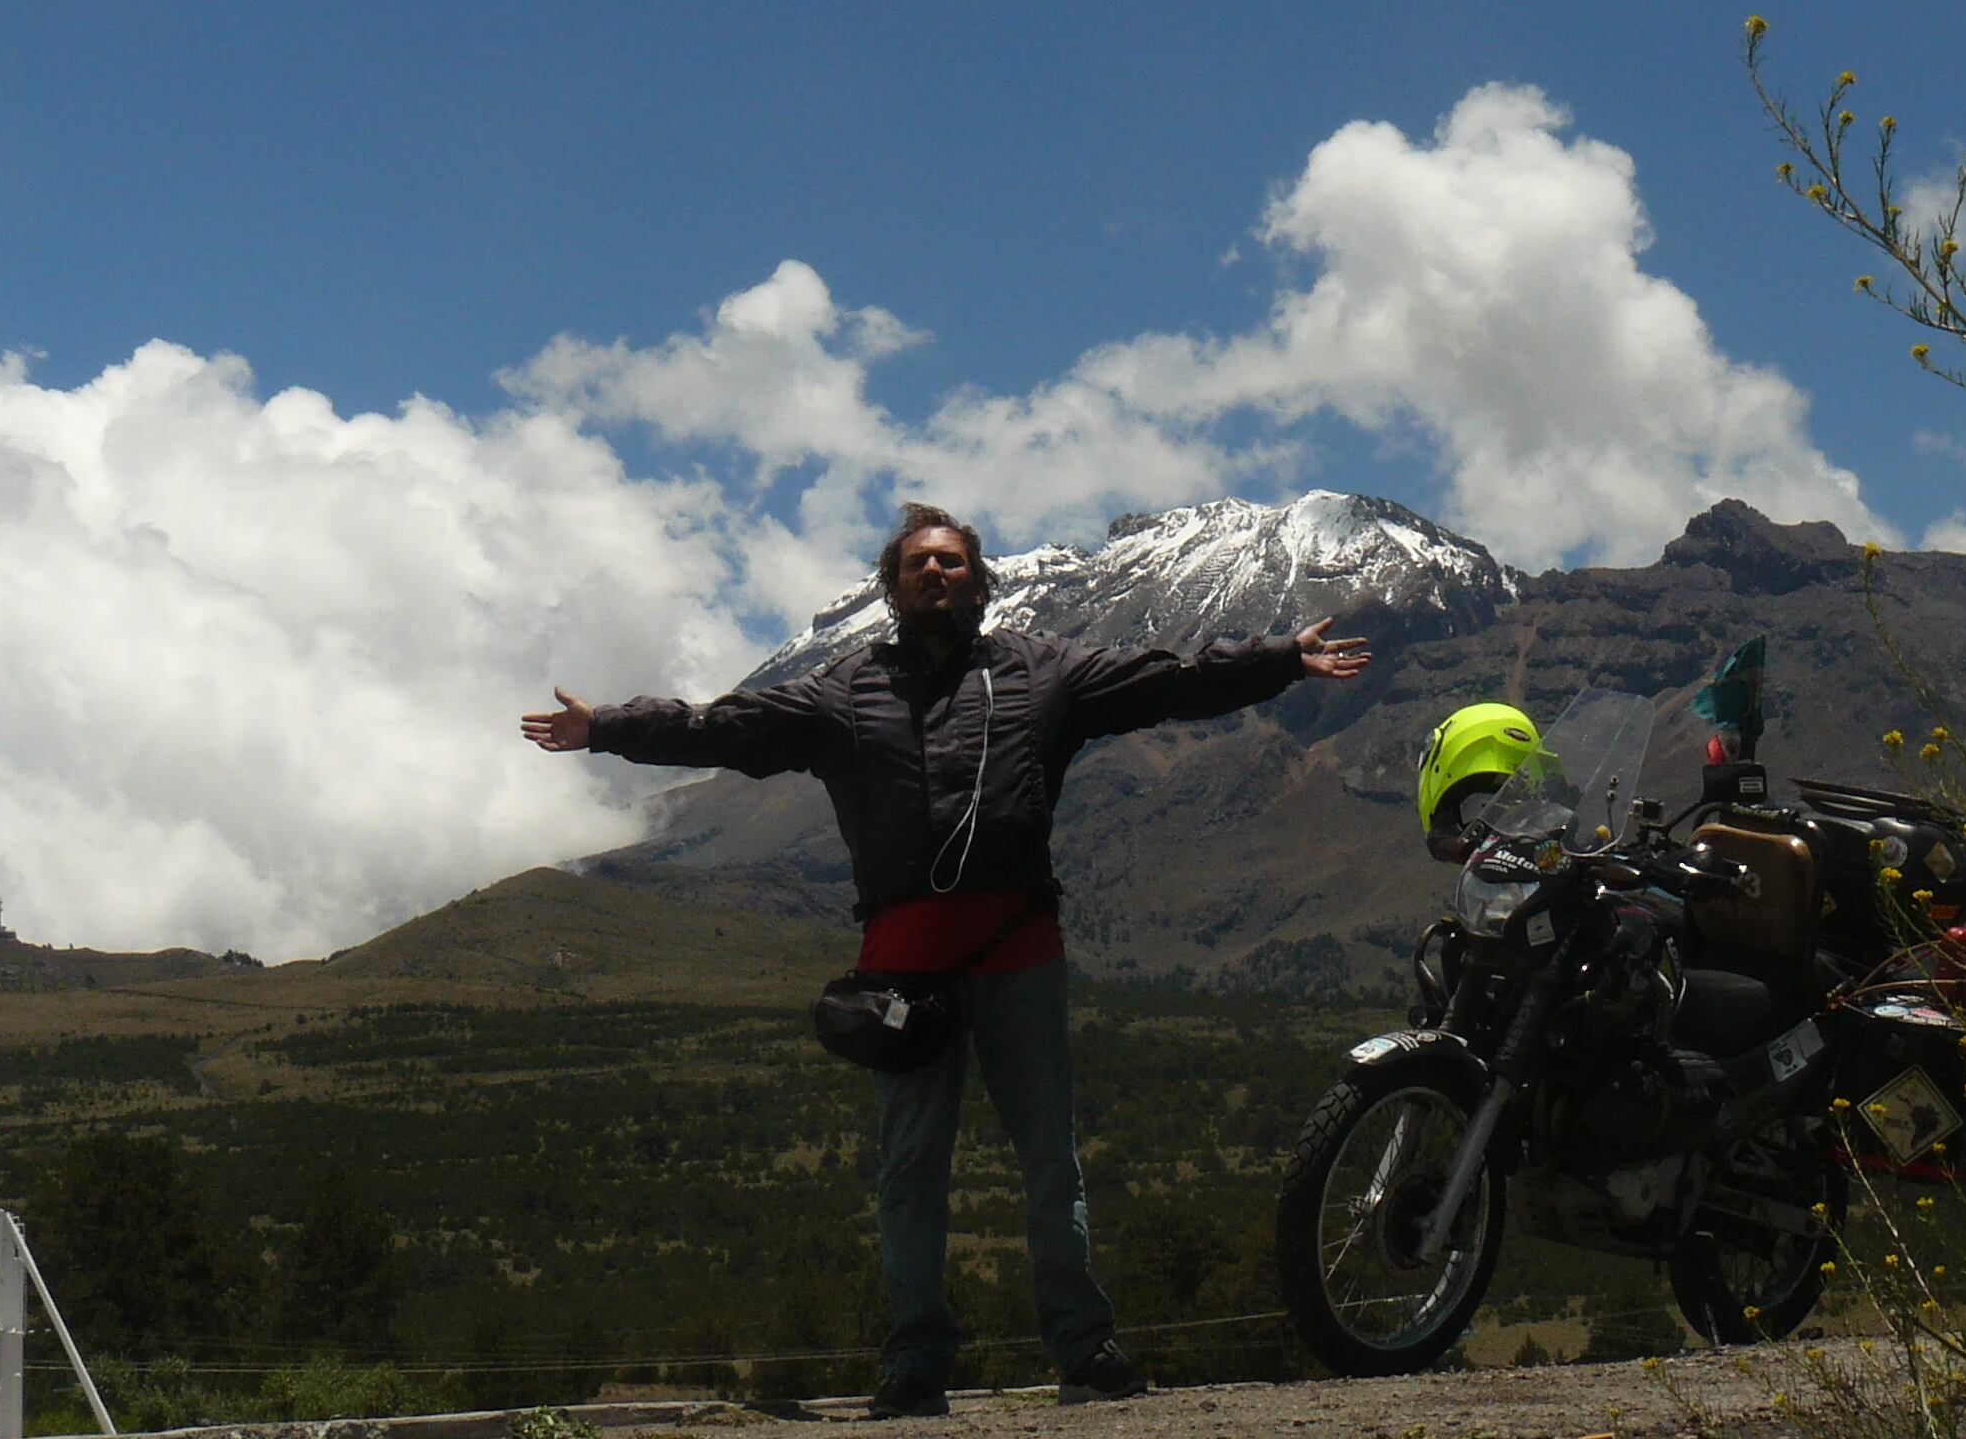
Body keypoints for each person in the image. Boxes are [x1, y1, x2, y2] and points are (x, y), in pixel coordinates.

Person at [521, 501, 1371, 1417]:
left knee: (1051, 1159)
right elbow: (720, 727)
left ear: (980, 581)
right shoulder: (839, 692)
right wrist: (607, 725)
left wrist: (1281, 658)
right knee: (911, 1168)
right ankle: (916, 1366)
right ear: (892, 586)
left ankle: (1084, 1353)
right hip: (903, 967)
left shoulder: (1044, 675)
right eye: (920, 564)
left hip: (1019, 952)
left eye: (954, 563)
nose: (937, 574)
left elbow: (1170, 680)